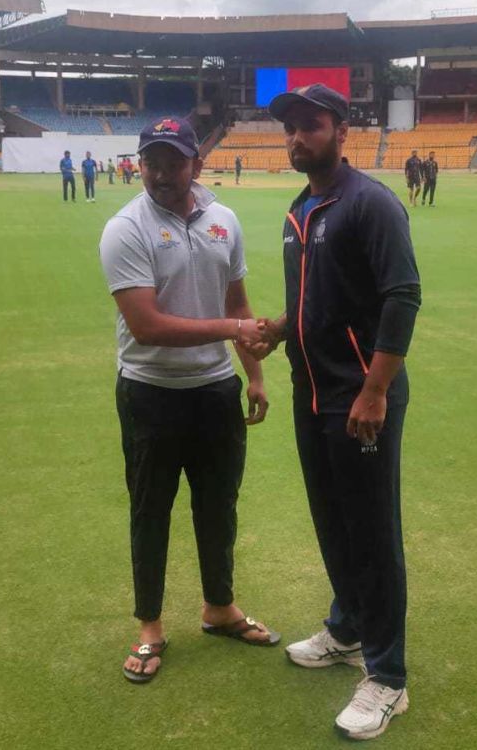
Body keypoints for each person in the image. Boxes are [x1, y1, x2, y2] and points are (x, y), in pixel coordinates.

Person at [250, 84, 421, 740]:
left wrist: (376, 391)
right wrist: (276, 330)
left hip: (361, 398)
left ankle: (388, 676)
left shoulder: (369, 204)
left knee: (373, 535)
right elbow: (312, 308)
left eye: (311, 126)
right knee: (333, 523)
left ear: (341, 131)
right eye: (290, 128)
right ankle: (349, 628)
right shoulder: (300, 210)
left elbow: (402, 297)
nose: (298, 137)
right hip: (312, 395)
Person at [99, 115, 282, 686]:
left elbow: (239, 299)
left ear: (195, 165)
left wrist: (253, 375)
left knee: (217, 505)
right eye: (150, 161)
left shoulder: (223, 220)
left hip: (215, 392)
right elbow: (147, 326)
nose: (159, 173)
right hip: (150, 394)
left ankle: (219, 607)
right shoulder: (125, 228)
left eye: (172, 162)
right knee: (150, 510)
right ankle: (150, 626)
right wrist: (233, 330)